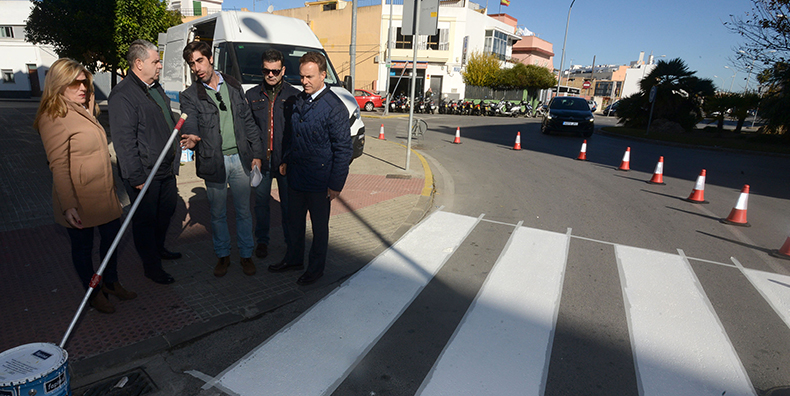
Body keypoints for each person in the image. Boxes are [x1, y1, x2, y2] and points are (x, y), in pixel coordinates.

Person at [34, 58, 137, 314]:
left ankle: (111, 282)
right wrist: (68, 205)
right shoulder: (54, 116)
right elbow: (57, 164)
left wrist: (89, 105)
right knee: (83, 249)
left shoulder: (84, 110)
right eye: (75, 83)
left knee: (112, 240)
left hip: (103, 194)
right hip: (78, 199)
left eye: (85, 82)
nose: (83, 87)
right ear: (59, 85)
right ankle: (93, 293)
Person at [179, 41, 265, 277]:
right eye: (191, 64)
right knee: (217, 214)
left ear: (210, 60)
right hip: (213, 161)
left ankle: (246, 255)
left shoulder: (235, 86)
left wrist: (257, 154)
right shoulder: (189, 95)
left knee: (244, 212)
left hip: (240, 160)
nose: (196, 68)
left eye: (200, 61)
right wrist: (193, 136)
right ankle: (223, 256)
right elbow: (191, 120)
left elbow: (248, 123)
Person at [269, 51, 352, 285]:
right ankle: (294, 259)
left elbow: (343, 149)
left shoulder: (334, 107)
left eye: (310, 77)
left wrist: (336, 184)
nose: (304, 81)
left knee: (319, 230)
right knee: (294, 224)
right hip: (296, 177)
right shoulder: (298, 101)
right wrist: (285, 159)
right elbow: (291, 136)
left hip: (320, 181)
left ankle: (316, 269)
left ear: (323, 75)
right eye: (302, 76)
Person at [109, 39, 180, 285]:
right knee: (145, 221)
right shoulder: (123, 95)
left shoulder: (154, 87)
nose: (160, 66)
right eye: (155, 61)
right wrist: (136, 177)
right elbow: (124, 141)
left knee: (167, 211)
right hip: (145, 173)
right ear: (138, 64)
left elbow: (165, 119)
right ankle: (152, 266)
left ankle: (158, 249)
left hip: (165, 169)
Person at [246, 49, 300, 259]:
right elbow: (248, 129)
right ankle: (262, 241)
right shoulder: (251, 95)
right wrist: (254, 156)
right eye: (266, 70)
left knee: (288, 207)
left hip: (285, 162)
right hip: (261, 162)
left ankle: (290, 243)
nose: (270, 75)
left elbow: (296, 132)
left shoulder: (294, 95)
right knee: (261, 205)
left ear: (283, 70)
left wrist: (288, 158)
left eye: (275, 71)